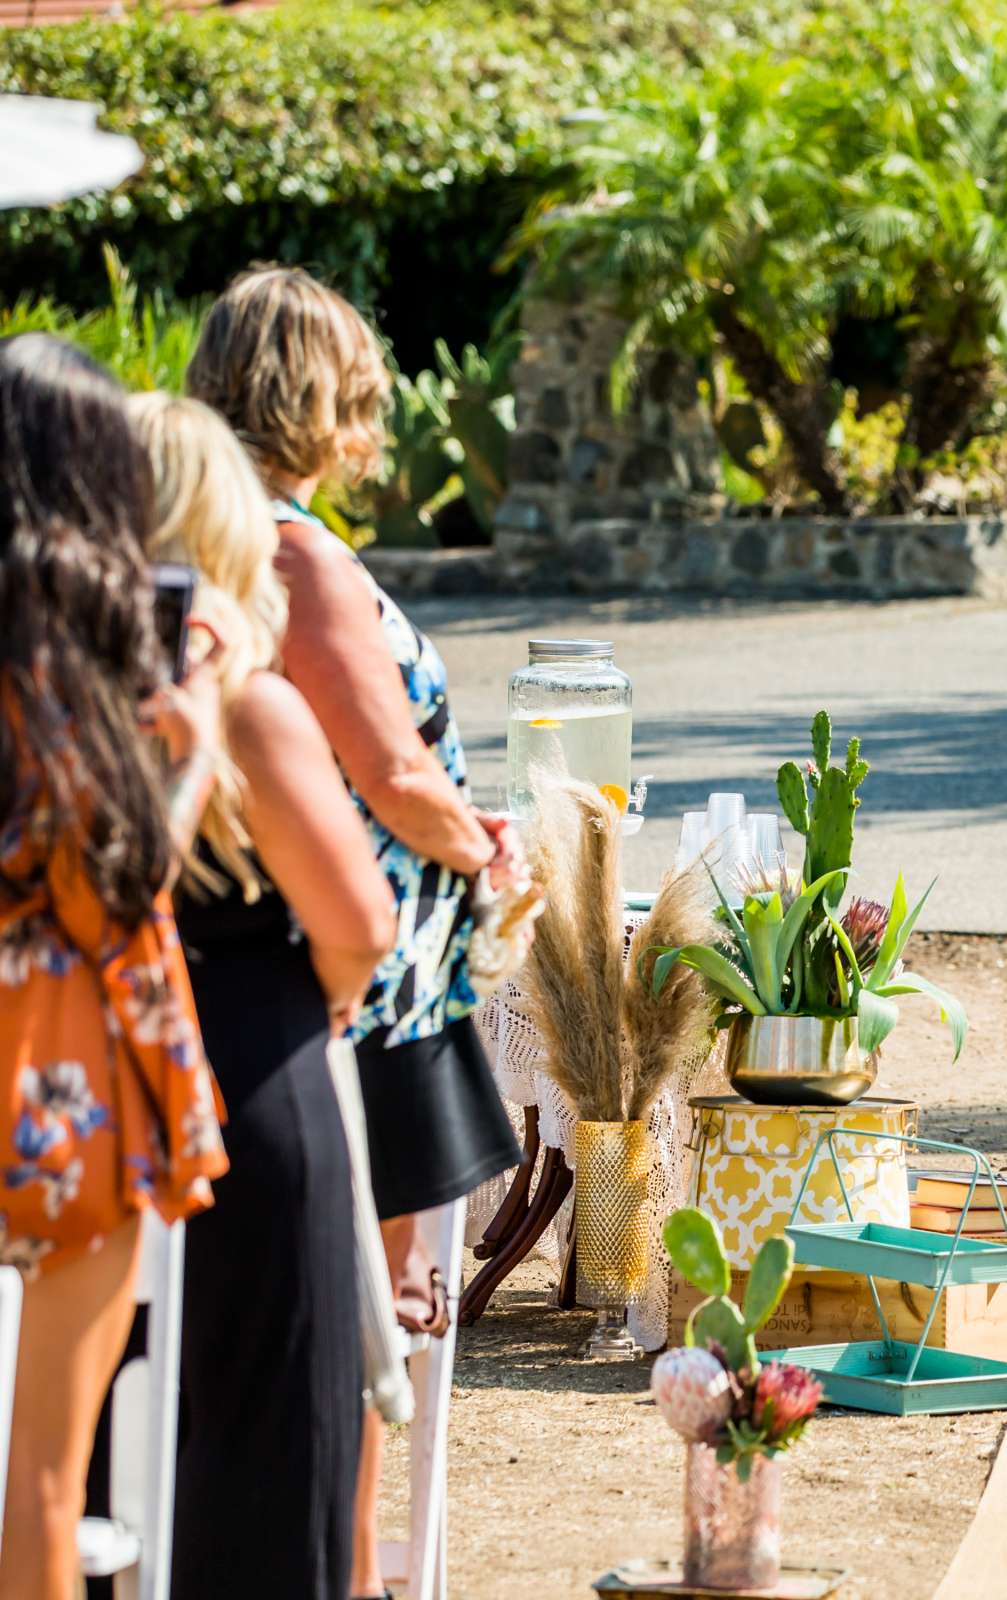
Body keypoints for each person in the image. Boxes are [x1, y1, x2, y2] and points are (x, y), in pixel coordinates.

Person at [183, 266, 524, 1600]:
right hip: (374, 985)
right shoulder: (293, 550)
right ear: (321, 399)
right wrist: (485, 841)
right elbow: (386, 769)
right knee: (367, 1332)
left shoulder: (210, 532)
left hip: (335, 960)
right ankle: (358, 1575)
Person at [129, 393, 398, 1600]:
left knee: (120, 1465)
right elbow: (360, 927)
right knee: (271, 1452)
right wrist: (314, 1004)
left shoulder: (53, 694)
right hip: (253, 1074)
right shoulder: (245, 701)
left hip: (106, 1077)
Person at [0, 335, 228, 1600]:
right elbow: (118, 884)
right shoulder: (76, 636)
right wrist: (190, 753)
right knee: (44, 1473)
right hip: (63, 1090)